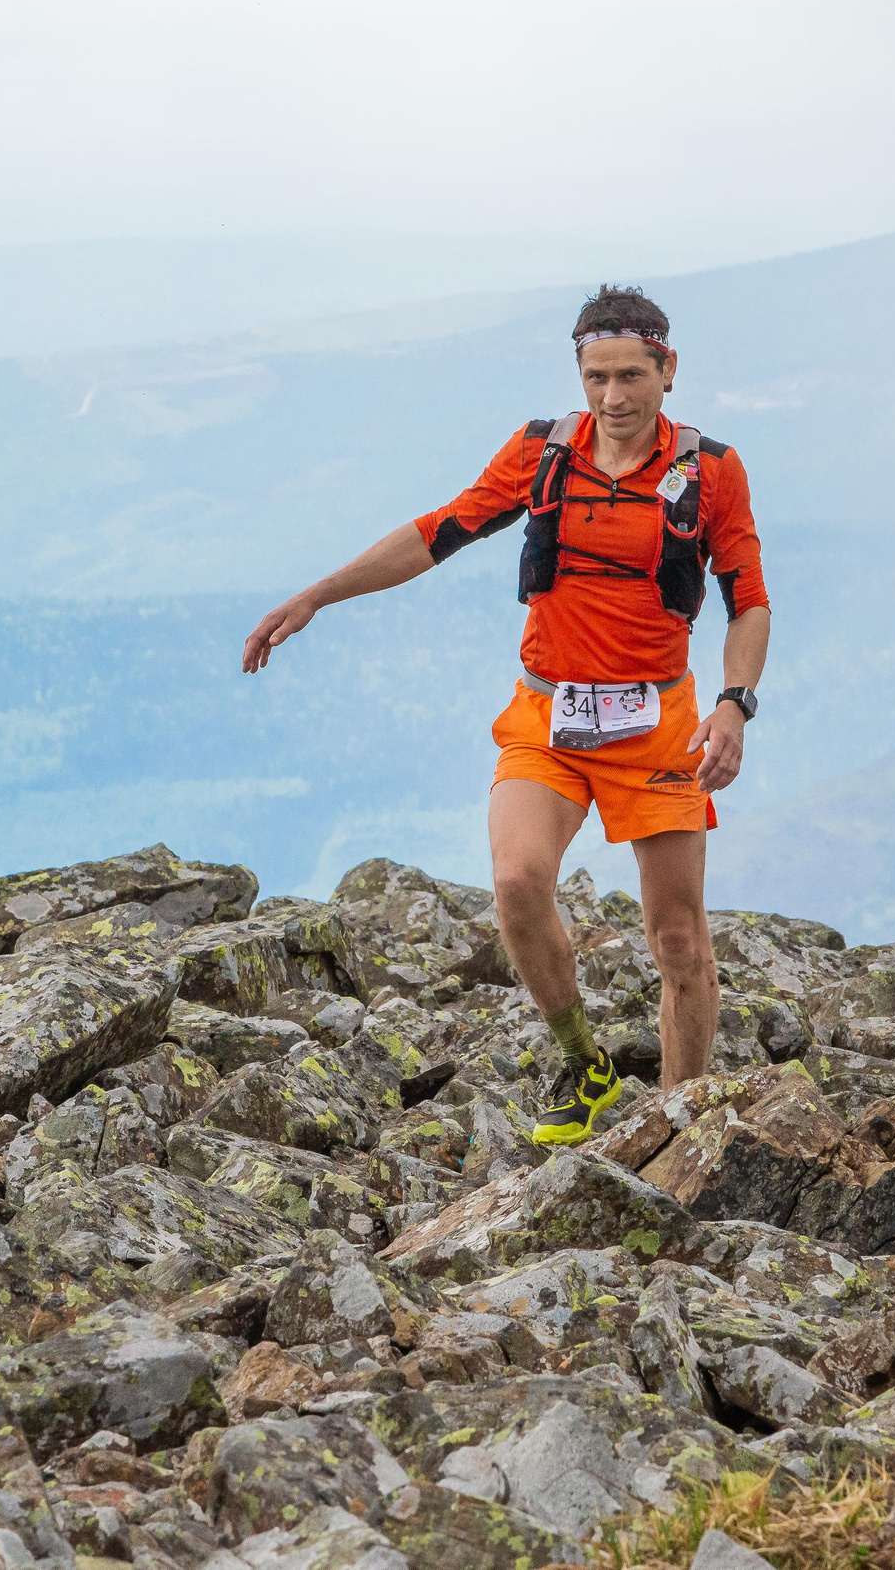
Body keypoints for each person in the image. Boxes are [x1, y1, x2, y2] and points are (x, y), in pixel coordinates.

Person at [241, 285, 770, 1146]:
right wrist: (318, 596)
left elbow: (749, 601)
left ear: (668, 370)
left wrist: (733, 705)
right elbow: (436, 532)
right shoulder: (542, 454)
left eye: (631, 376)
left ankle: (680, 1125)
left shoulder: (711, 472)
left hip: (657, 725)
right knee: (519, 881)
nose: (612, 397)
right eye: (596, 377)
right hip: (548, 715)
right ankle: (588, 1066)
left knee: (678, 938)